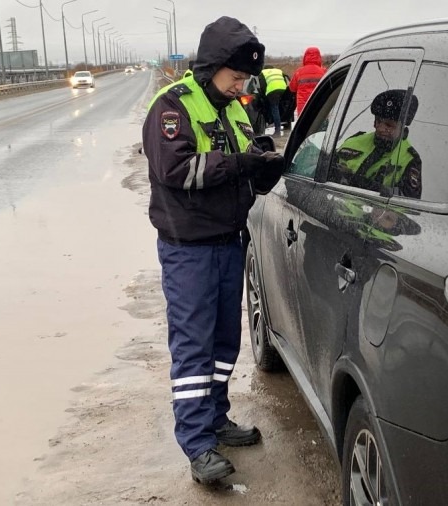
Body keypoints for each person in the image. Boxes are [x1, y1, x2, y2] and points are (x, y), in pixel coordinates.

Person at [141, 16, 285, 485]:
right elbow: (177, 170)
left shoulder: (234, 106)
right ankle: (197, 442)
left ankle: (217, 416)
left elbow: (246, 149)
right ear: (213, 66)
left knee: (225, 341)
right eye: (236, 75)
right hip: (189, 249)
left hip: (229, 241)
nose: (241, 84)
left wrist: (262, 165)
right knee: (193, 347)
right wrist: (238, 165)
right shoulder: (173, 108)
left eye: (245, 78)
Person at [334, 89, 422, 198]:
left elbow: (408, 202)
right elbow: (326, 169)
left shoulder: (409, 159)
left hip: (373, 214)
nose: (380, 128)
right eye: (378, 121)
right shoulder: (353, 142)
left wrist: (362, 183)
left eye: (389, 125)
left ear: (402, 127)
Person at [288, 46, 326, 116]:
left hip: (303, 107)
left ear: (305, 57)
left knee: (305, 125)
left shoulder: (299, 72)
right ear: (319, 57)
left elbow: (292, 88)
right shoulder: (323, 71)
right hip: (320, 105)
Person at [258, 65, 288, 137]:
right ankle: (285, 120)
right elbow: (285, 80)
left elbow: (262, 85)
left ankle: (277, 131)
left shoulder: (263, 72)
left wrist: (264, 94)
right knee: (279, 106)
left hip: (272, 90)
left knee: (274, 108)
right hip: (283, 88)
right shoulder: (279, 71)